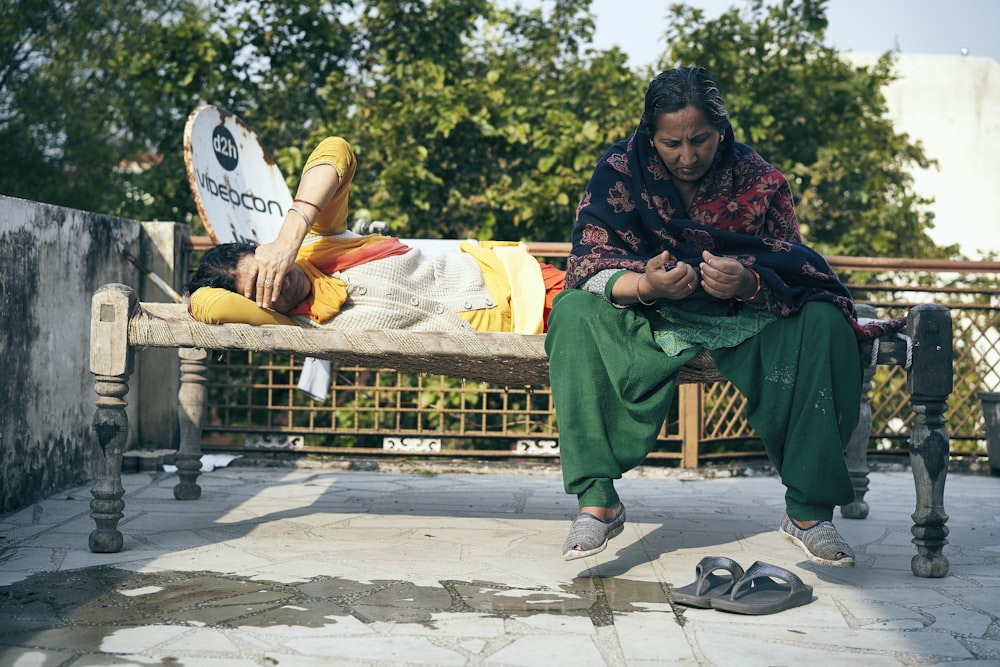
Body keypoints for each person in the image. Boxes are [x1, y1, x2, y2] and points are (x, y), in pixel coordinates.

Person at [545, 66, 889, 566]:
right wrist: (645, 285)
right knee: (574, 311)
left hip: (741, 318)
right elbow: (587, 264)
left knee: (825, 323)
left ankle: (810, 512)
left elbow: (793, 266)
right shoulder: (618, 170)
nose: (687, 156)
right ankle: (598, 504)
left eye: (700, 140)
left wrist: (749, 283)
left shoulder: (759, 178)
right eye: (671, 143)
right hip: (651, 317)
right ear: (649, 133)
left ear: (722, 129)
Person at [185, 136, 564, 333]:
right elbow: (206, 305)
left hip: (520, 279)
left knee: (611, 305)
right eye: (261, 288)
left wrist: (287, 241)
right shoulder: (296, 325)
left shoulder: (319, 243)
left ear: (262, 250)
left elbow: (337, 151)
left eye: (267, 268)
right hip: (521, 332)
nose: (277, 283)